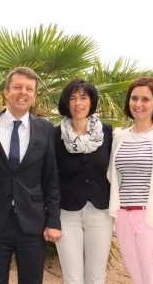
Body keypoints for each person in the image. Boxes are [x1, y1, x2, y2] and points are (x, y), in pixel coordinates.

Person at [0, 66, 62, 284]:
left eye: (29, 89)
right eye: (17, 87)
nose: (23, 92)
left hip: (32, 223)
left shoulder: (46, 128)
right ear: (6, 91)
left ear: (34, 95)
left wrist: (53, 220)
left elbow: (51, 178)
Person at [108, 76, 153, 284]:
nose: (138, 104)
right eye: (134, 98)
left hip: (150, 219)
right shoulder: (119, 138)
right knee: (138, 278)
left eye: (145, 99)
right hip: (123, 218)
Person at [54, 79, 113, 284]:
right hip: (66, 214)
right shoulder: (55, 135)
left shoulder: (107, 132)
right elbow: (50, 177)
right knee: (72, 277)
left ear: (91, 101)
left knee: (96, 276)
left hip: (100, 212)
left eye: (83, 97)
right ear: (66, 102)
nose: (78, 103)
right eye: (73, 98)